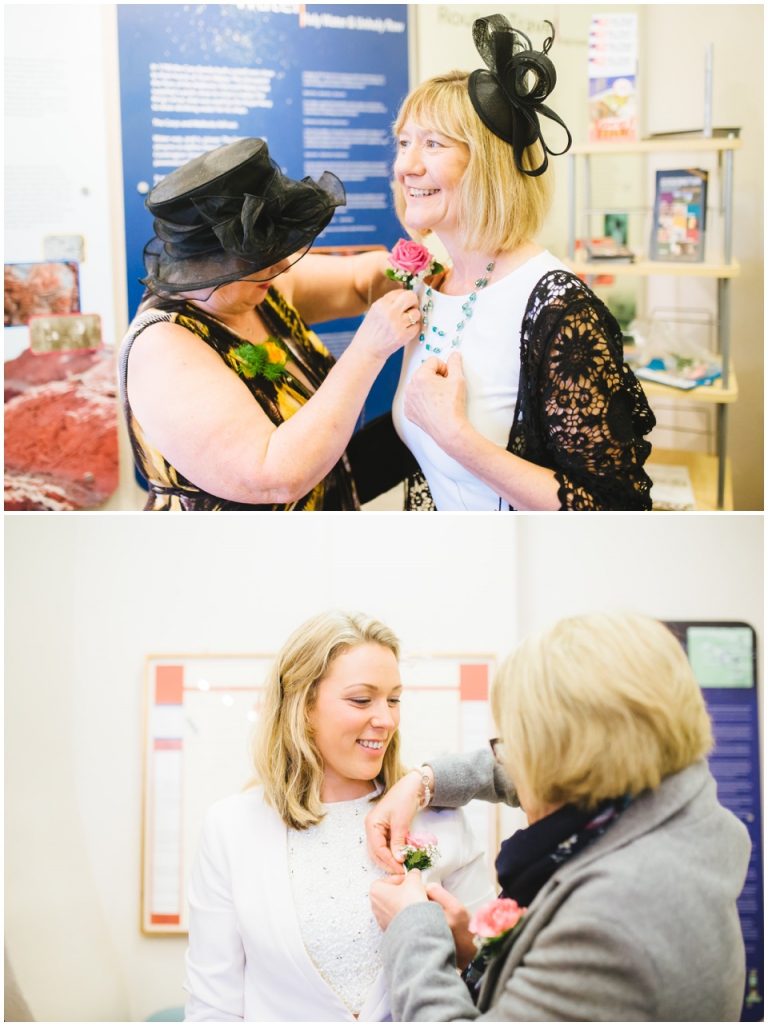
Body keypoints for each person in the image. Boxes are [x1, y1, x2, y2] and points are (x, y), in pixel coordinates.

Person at [366, 611, 751, 1021]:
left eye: (512, 748)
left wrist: (413, 931)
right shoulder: (676, 806)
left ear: (567, 758)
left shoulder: (616, 917)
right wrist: (425, 781)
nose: (509, 766)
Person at [389, 16, 656, 510]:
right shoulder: (433, 288)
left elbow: (612, 509)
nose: (407, 166)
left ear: (487, 164)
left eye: (432, 143)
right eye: (403, 142)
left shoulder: (561, 311)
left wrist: (457, 437)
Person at [183, 611, 495, 1022]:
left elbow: (496, 983)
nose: (386, 719)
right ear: (303, 706)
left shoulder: (441, 819)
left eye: (394, 699)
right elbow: (213, 1008)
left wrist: (470, 945)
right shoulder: (230, 827)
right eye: (362, 699)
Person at [119, 137, 421, 510]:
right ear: (209, 263)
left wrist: (420, 269)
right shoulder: (163, 346)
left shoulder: (259, 288)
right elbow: (275, 477)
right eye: (261, 255)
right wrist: (368, 350)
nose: (281, 265)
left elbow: (363, 282)